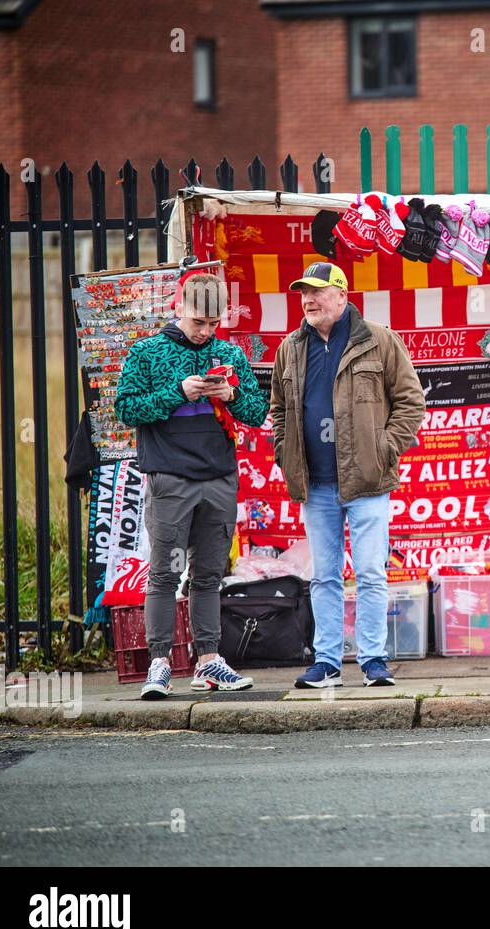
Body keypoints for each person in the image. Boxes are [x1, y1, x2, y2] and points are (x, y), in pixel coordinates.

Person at [270, 262, 426, 689]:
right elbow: (280, 410)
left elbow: (411, 403)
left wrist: (384, 448)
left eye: (318, 291)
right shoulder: (291, 347)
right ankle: (327, 662)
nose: (309, 299)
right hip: (315, 483)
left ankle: (374, 660)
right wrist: (286, 453)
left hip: (367, 481)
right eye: (304, 292)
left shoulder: (378, 340)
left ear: (341, 296)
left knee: (372, 572)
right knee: (323, 576)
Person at [115, 270, 269, 700]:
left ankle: (208, 660)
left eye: (214, 323)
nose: (206, 332)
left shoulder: (229, 353)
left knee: (208, 575)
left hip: (218, 477)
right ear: (178, 306)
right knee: (165, 572)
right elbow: (127, 409)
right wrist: (179, 391)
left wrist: (231, 396)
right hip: (170, 477)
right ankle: (160, 663)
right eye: (198, 321)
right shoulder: (147, 351)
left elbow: (257, 413)